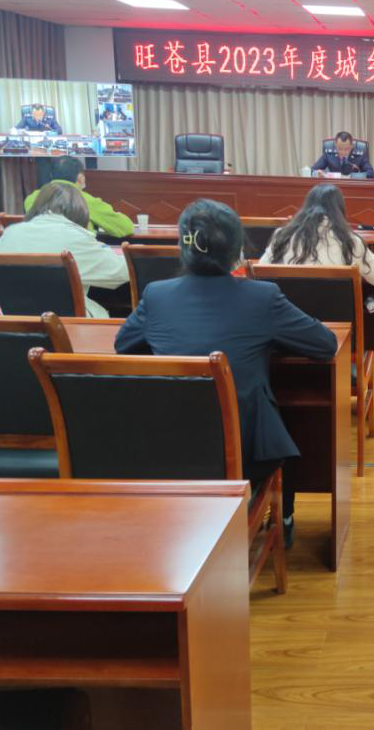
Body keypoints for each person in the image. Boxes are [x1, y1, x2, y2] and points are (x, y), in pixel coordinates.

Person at [114, 199, 337, 548]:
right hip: (245, 453)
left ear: (183, 247)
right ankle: (282, 519)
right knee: (288, 417)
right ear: (237, 250)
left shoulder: (156, 296)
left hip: (168, 447)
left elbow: (123, 346)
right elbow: (325, 344)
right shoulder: (262, 297)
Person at [0, 180, 129, 319]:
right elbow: (120, 273)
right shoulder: (76, 237)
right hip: (66, 322)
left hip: (13, 320)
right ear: (79, 211)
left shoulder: (9, 234)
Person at [260, 184, 374, 287]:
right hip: (336, 316)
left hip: (288, 315)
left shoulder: (282, 235)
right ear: (339, 210)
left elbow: (259, 273)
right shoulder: (349, 241)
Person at [24, 155, 134, 238]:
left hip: (40, 255)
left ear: (51, 175)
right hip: (77, 255)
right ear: (81, 178)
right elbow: (125, 228)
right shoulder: (85, 200)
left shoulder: (33, 198)